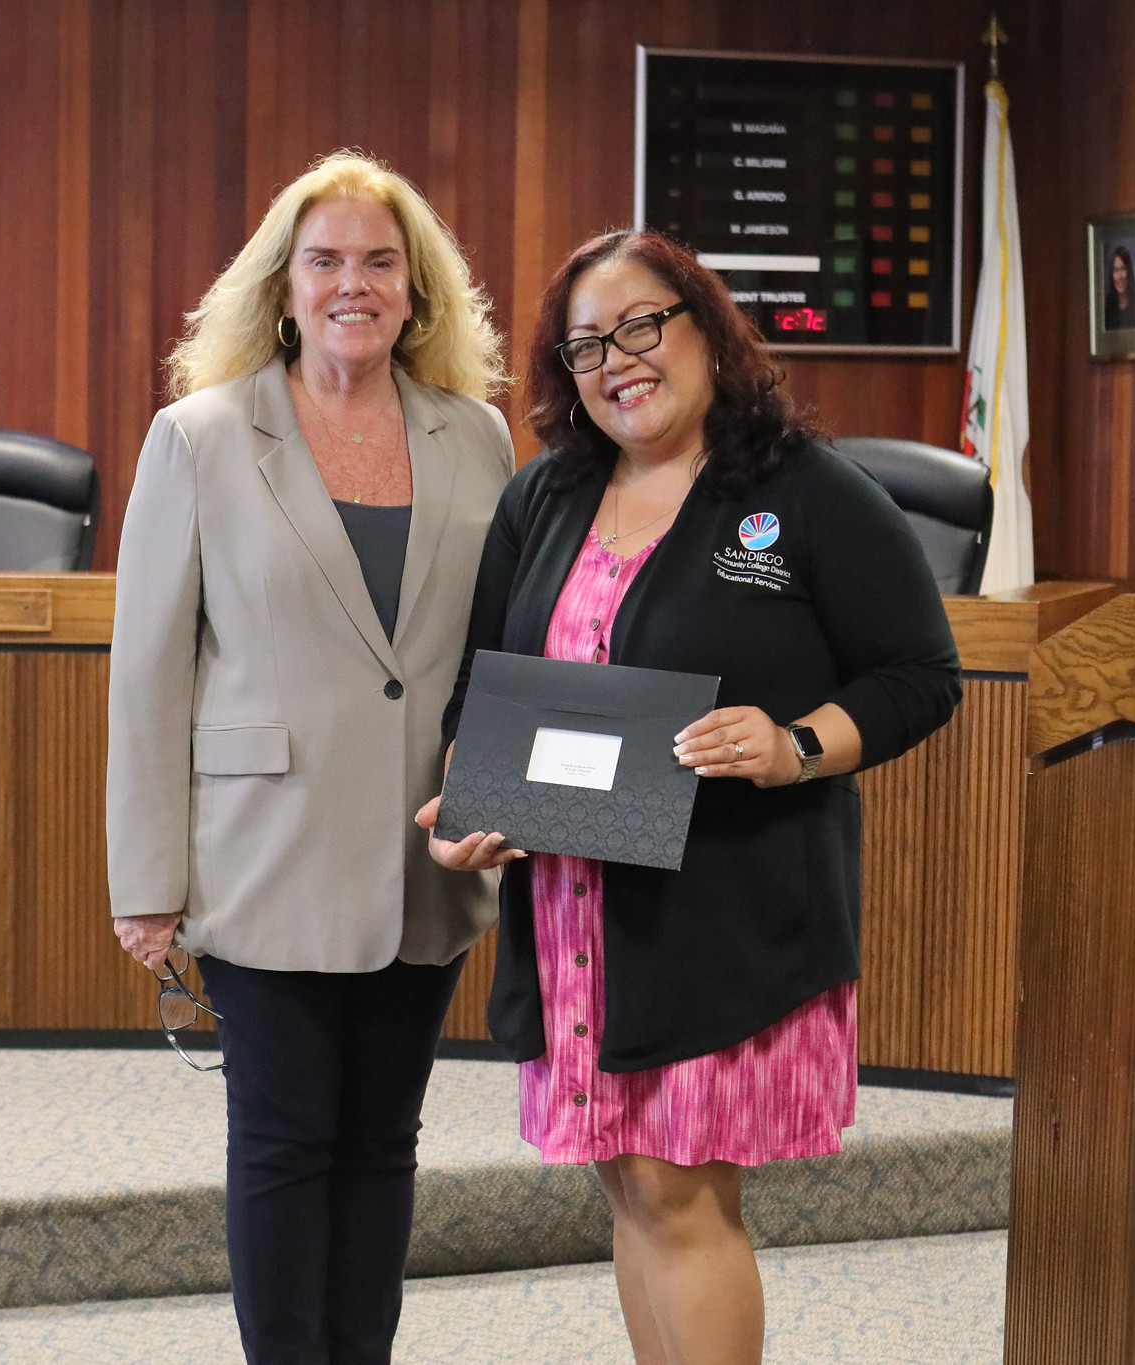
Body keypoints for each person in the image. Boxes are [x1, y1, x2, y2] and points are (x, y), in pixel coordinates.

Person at [416, 230, 961, 1365]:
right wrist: (465, 802)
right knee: (630, 1189)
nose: (616, 359)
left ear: (703, 326)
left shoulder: (804, 492)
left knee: (677, 1192)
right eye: (582, 347)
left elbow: (917, 677)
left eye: (639, 325)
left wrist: (796, 741)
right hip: (575, 909)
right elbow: (486, 678)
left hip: (723, 913)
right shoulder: (545, 497)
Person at [106, 150, 512, 1364]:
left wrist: (490, 798)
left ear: (415, 288)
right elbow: (148, 672)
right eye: (325, 261)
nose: (353, 283)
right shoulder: (201, 437)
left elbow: (495, 650)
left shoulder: (476, 436)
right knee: (283, 1144)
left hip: (420, 855)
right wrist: (146, 879)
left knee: (384, 1142)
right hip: (260, 855)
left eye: (379, 262)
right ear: (281, 286)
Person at [1104, 243, 1135, 330]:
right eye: (1116, 270)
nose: (1119, 276)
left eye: (1123, 269)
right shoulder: (1107, 307)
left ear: (1129, 272)